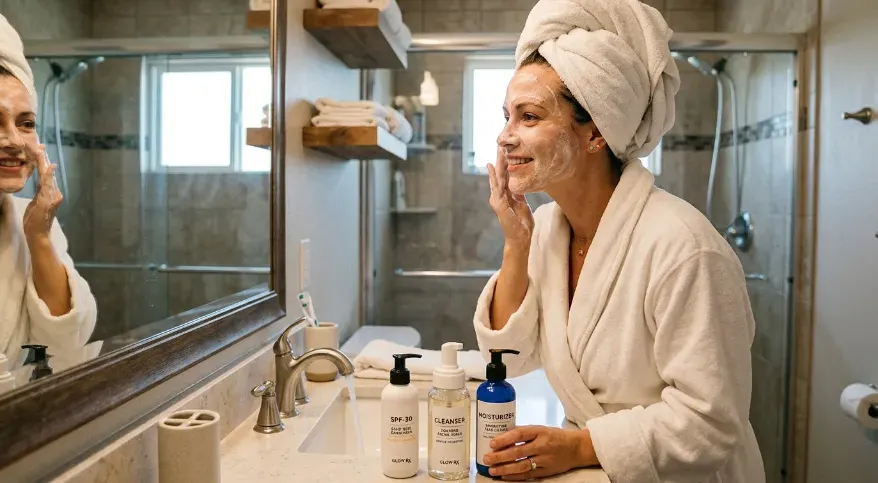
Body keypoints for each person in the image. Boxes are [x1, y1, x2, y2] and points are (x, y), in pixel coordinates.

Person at [473, 1, 765, 481]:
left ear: (593, 133)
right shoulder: (546, 229)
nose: (504, 137)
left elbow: (711, 423)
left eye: (529, 117)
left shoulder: (684, 247)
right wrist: (516, 244)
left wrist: (582, 445)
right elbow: (508, 357)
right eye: (507, 117)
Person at [0, 14, 96, 360]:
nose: (13, 140)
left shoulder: (31, 221)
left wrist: (39, 236)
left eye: (26, 123)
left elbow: (66, 343)